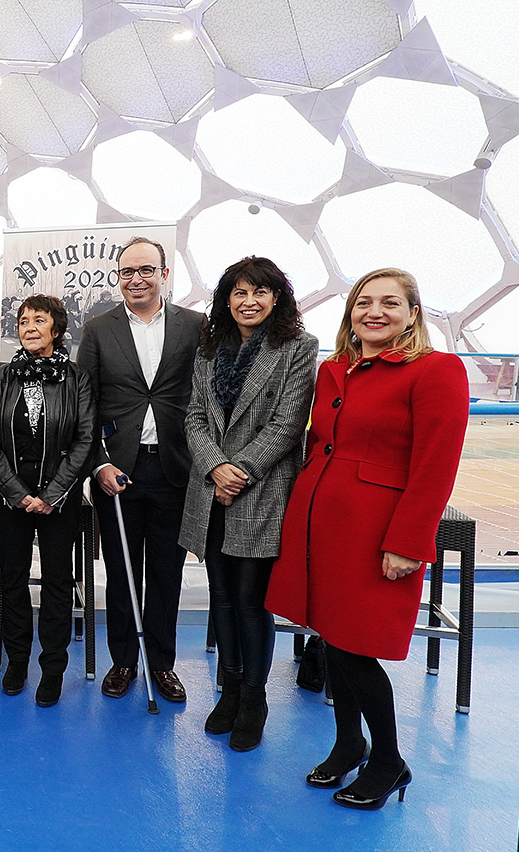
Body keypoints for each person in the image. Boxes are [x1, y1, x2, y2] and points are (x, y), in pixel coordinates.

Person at [266, 268, 468, 809]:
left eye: (390, 303)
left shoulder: (436, 370)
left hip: (376, 533)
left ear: (413, 314)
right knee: (332, 637)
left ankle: (388, 761)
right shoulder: (334, 369)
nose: (374, 312)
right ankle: (348, 744)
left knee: (355, 647)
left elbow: (436, 465)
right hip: (321, 525)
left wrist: (408, 541)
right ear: (350, 312)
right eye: (364, 302)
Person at [177, 257, 317, 750]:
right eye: (239, 292)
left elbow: (288, 423)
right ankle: (230, 689)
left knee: (251, 601)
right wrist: (216, 467)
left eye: (259, 292)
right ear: (226, 299)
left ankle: (254, 699)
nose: (249, 301)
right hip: (210, 491)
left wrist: (238, 473)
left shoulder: (297, 347)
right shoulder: (210, 347)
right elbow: (194, 416)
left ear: (277, 297)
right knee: (220, 597)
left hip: (261, 490)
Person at [77, 236, 205, 703]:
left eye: (146, 270)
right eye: (127, 272)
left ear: (164, 274)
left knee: (168, 574)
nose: (136, 279)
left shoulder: (196, 326)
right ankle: (124, 662)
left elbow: (207, 397)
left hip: (176, 469)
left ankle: (162, 664)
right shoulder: (98, 329)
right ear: (118, 277)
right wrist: (99, 464)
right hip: (118, 473)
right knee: (121, 572)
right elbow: (85, 405)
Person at [0, 294, 95, 707]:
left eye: (39, 320)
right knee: (12, 579)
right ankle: (17, 661)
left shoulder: (77, 379)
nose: (29, 327)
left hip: (60, 499)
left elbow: (85, 439)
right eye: (23, 320)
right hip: (11, 499)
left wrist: (52, 495)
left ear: (56, 329)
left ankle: (53, 668)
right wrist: (17, 493)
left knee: (58, 582)